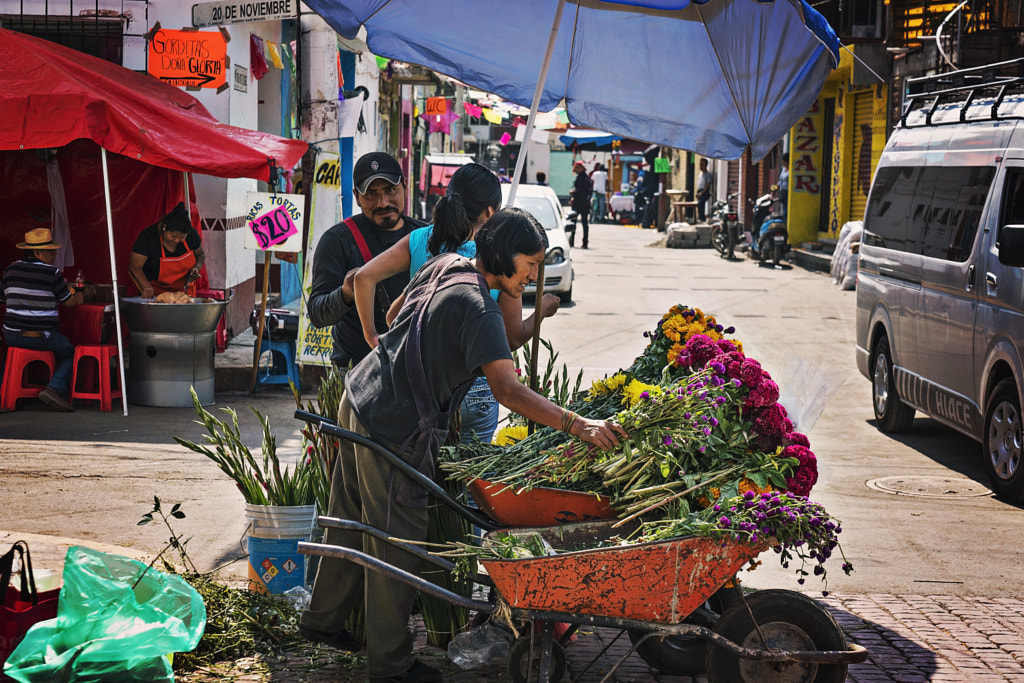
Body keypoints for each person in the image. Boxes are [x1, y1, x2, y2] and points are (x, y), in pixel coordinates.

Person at [300, 207, 627, 683]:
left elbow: (394, 315)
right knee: (398, 538)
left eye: (539, 265)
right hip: (391, 423)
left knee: (352, 523)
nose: (534, 275)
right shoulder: (481, 310)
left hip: (359, 394)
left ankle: (322, 622)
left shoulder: (445, 264)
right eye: (529, 263)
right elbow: (509, 392)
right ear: (500, 252)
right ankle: (390, 667)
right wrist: (579, 425)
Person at [353, 163, 559, 443]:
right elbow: (510, 338)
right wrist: (543, 310)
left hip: (423, 387)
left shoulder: (421, 240)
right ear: (490, 212)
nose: (532, 274)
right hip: (476, 388)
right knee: (468, 481)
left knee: (428, 472)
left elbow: (365, 281)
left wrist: (374, 338)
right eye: (532, 265)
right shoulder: (497, 257)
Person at [307, 152, 426, 371]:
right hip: (357, 369)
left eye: (390, 190)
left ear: (405, 186)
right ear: (356, 196)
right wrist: (344, 294)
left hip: (418, 368)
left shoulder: (425, 236)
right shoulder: (338, 241)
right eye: (371, 194)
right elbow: (317, 314)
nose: (383, 202)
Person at [1, 228, 84, 411]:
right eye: (50, 251)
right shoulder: (51, 273)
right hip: (41, 337)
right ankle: (54, 388)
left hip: (11, 335)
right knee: (71, 353)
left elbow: (2, 299)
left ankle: (2, 393)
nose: (54, 255)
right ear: (37, 252)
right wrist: (80, 296)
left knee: (9, 356)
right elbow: (69, 303)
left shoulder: (10, 270)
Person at [128, 202, 205, 298]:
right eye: (173, 236)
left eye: (182, 238)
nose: (177, 240)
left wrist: (196, 267)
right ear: (164, 227)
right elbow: (135, 267)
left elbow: (200, 254)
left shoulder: (191, 235)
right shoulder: (148, 237)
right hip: (156, 293)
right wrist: (146, 288)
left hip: (184, 293)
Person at [569, 161, 593, 248]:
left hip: (580, 203)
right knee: (581, 223)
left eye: (578, 167)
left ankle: (574, 241)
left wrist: (573, 193)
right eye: (576, 167)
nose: (576, 169)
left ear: (582, 168)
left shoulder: (583, 178)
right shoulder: (584, 178)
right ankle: (580, 241)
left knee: (576, 223)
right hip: (583, 203)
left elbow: (581, 190)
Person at [696, 158, 713, 223]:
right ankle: (700, 217)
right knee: (698, 204)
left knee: (701, 203)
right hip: (699, 191)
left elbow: (707, 185)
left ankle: (702, 218)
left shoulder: (707, 175)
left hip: (705, 192)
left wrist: (702, 193)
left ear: (706, 165)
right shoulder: (700, 174)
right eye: (700, 164)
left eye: (702, 164)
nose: (700, 166)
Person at [779, 152, 790, 217]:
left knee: (787, 210)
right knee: (784, 208)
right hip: (783, 191)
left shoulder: (791, 169)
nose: (782, 163)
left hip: (788, 191)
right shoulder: (784, 169)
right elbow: (781, 180)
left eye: (783, 161)